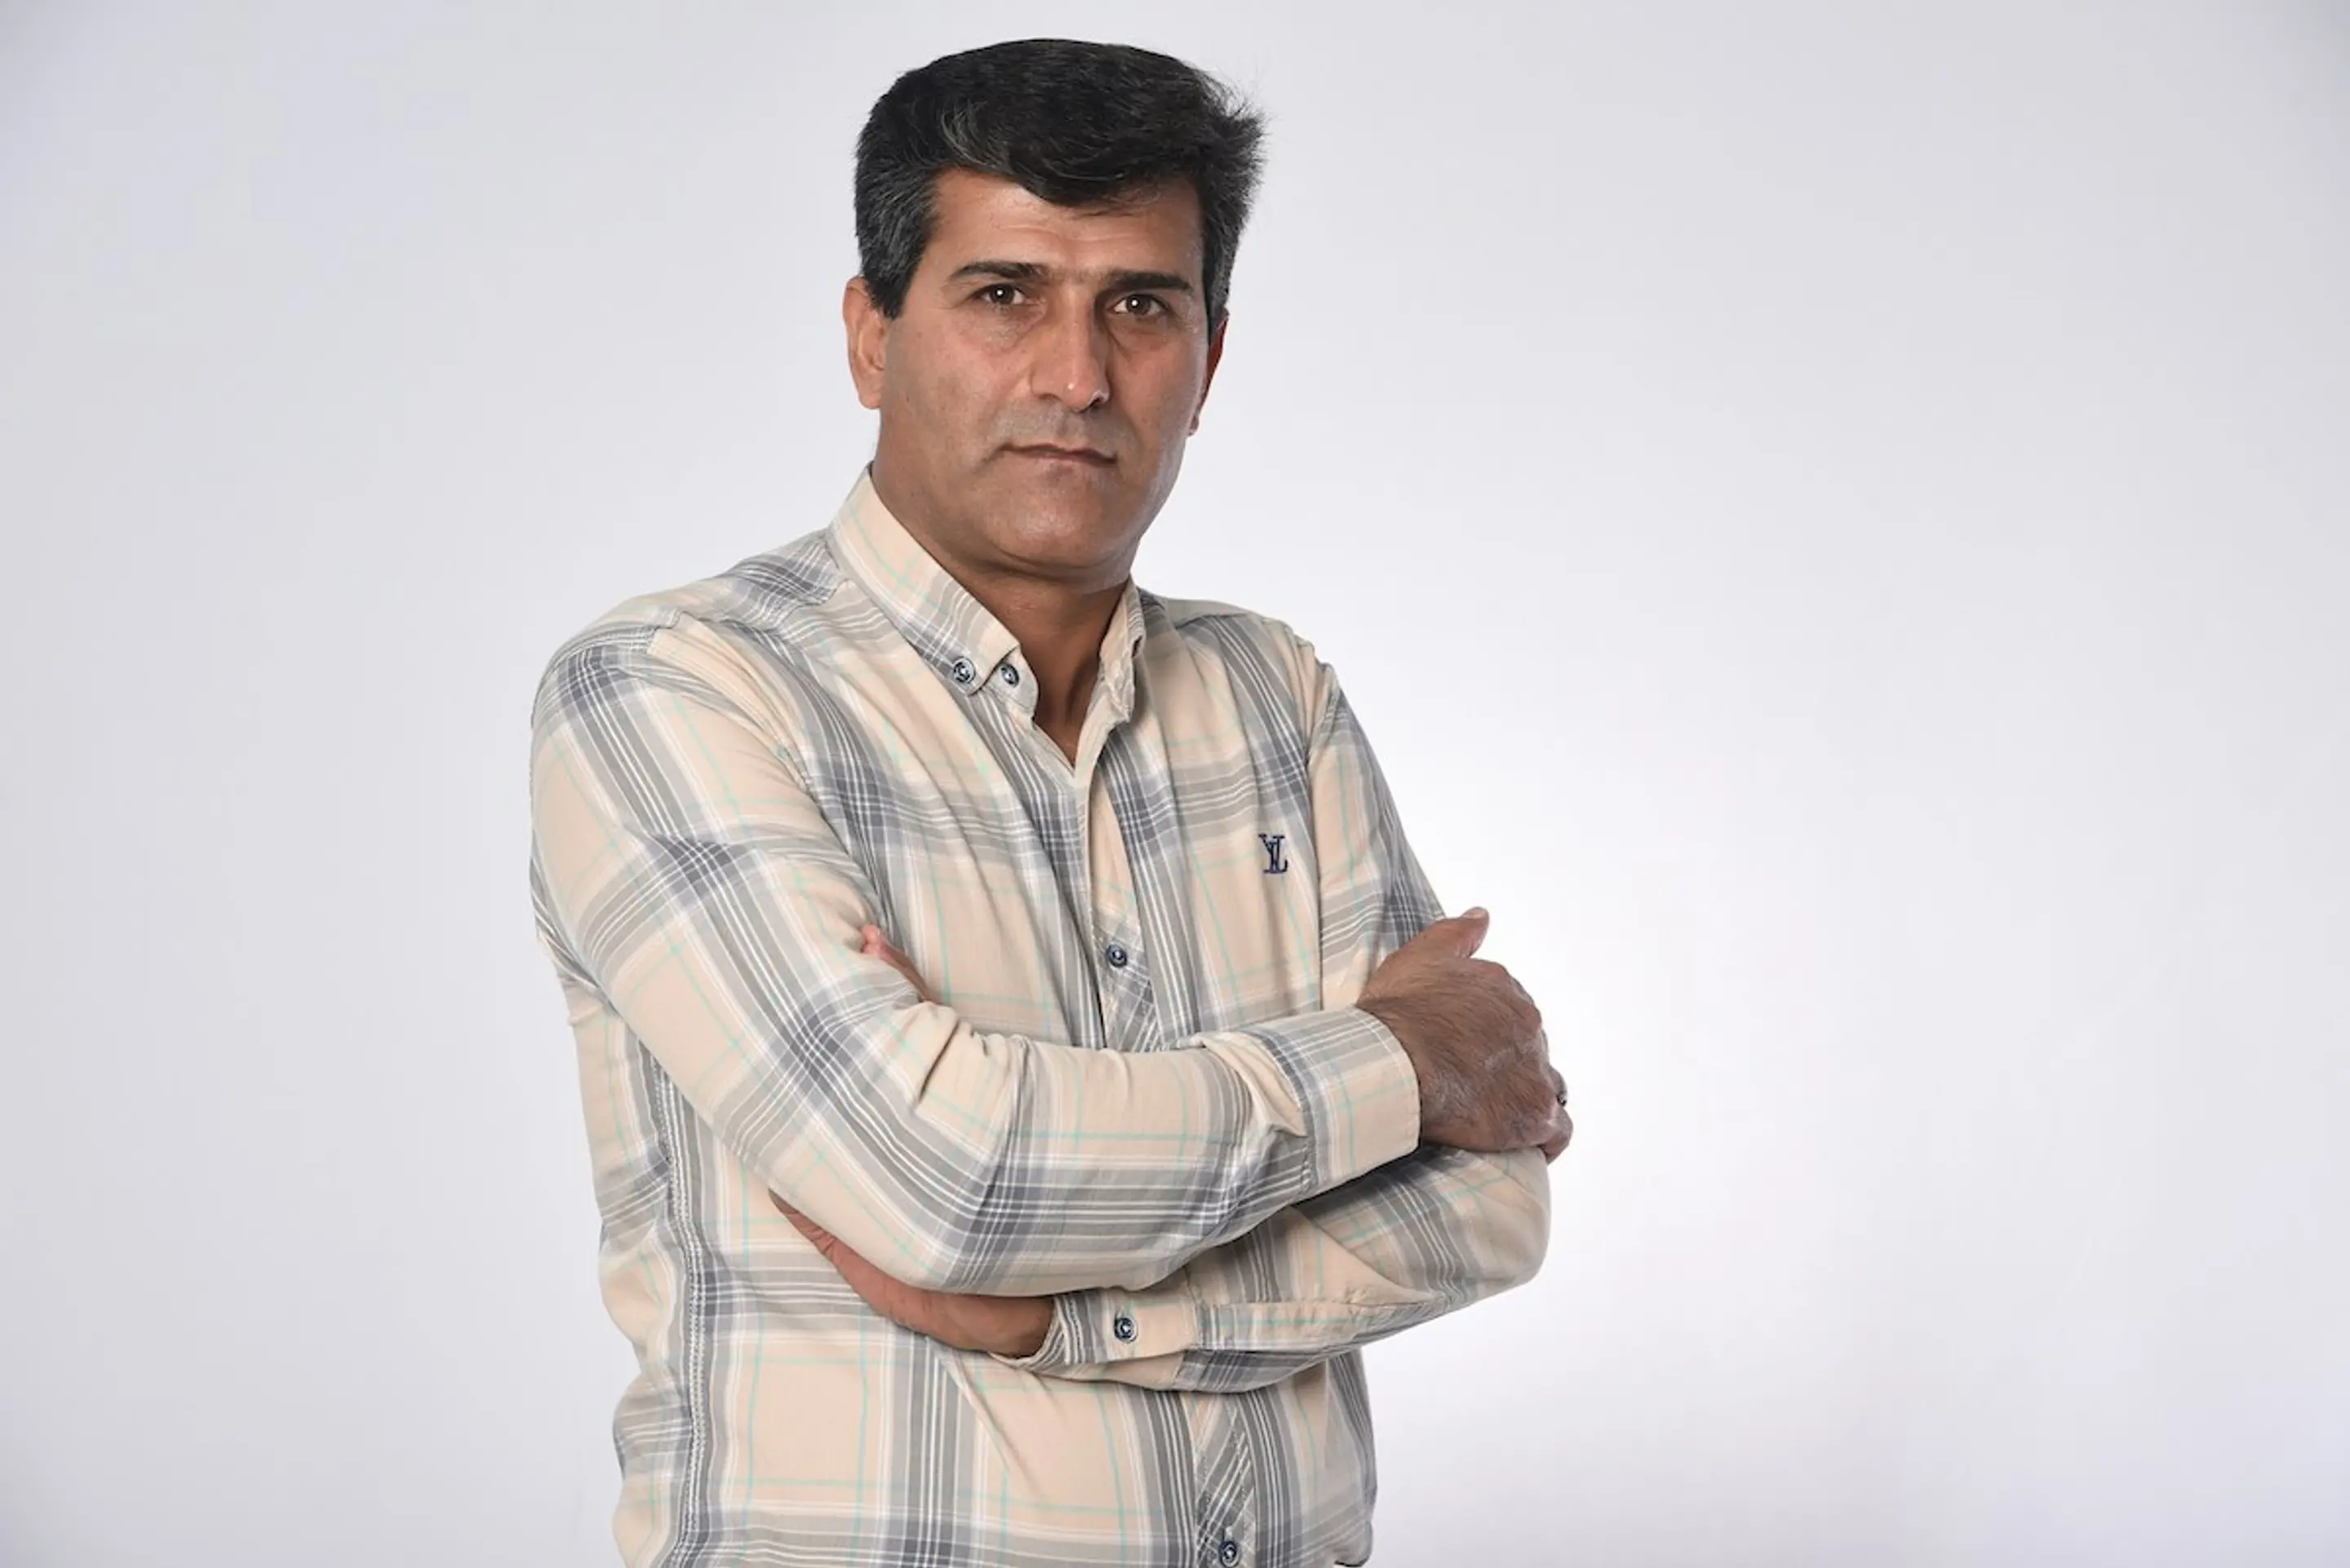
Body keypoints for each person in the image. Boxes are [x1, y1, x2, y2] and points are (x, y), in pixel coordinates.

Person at [527, 37, 1572, 1568]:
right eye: (1005, 292)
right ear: (872, 335)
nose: (1076, 376)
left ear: (1211, 360)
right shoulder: (678, 690)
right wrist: (1406, 1058)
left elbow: (1488, 1201)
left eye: (1139, 306)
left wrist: (1060, 1313)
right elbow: (948, 1177)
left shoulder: (1275, 697)